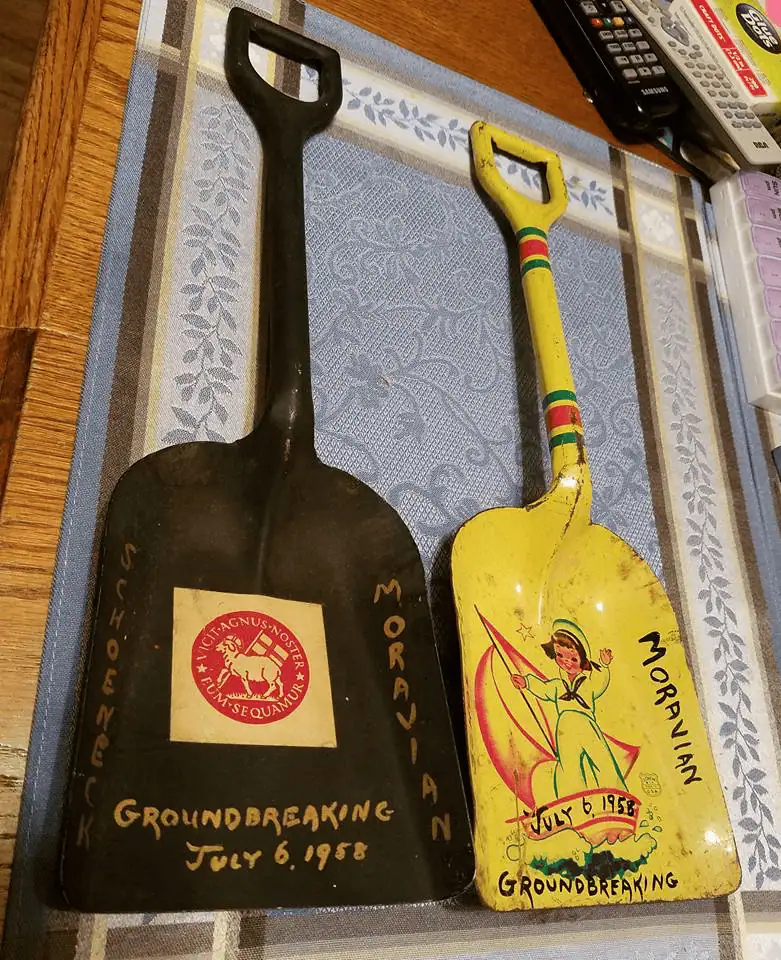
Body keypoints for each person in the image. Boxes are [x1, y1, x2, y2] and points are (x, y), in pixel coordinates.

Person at [511, 618, 626, 800]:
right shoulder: (558, 685)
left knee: (601, 759)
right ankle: (570, 800)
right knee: (568, 766)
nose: (566, 662)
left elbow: (601, 683)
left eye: (573, 658)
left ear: (582, 659)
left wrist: (604, 666)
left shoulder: (588, 683)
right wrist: (526, 683)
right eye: (560, 656)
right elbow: (544, 688)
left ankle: (618, 794)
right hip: (565, 727)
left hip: (586, 724)